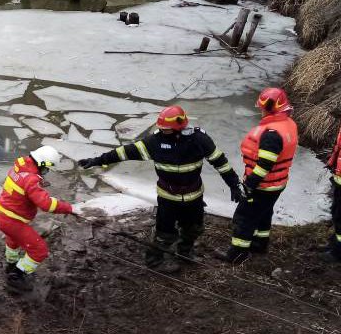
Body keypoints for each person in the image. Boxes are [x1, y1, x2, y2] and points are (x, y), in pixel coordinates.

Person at [79, 106, 243, 272]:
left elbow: (220, 162)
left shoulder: (199, 140)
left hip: (194, 196)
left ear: (179, 127)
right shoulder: (154, 142)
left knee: (194, 228)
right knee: (164, 233)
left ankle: (185, 252)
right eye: (161, 129)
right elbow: (124, 152)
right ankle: (154, 261)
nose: (163, 131)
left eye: (166, 129)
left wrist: (234, 184)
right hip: (168, 198)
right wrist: (97, 160)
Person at [223, 88, 298, 264]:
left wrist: (249, 185)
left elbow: (264, 165)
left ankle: (237, 254)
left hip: (264, 185)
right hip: (277, 183)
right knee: (264, 213)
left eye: (262, 107)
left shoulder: (271, 134)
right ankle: (260, 243)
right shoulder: (288, 124)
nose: (261, 110)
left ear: (267, 108)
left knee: (245, 217)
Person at [0, 145, 74, 293]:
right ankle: (16, 276)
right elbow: (46, 205)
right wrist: (68, 208)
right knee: (39, 250)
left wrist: (38, 183)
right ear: (42, 164)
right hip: (12, 220)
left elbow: (25, 184)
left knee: (13, 240)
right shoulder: (32, 180)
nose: (47, 172)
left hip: (0, 213)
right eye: (47, 169)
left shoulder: (18, 168)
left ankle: (11, 263)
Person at [326, 124, 341, 262]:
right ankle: (334, 243)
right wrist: (332, 162)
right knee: (336, 212)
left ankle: (338, 252)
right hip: (338, 179)